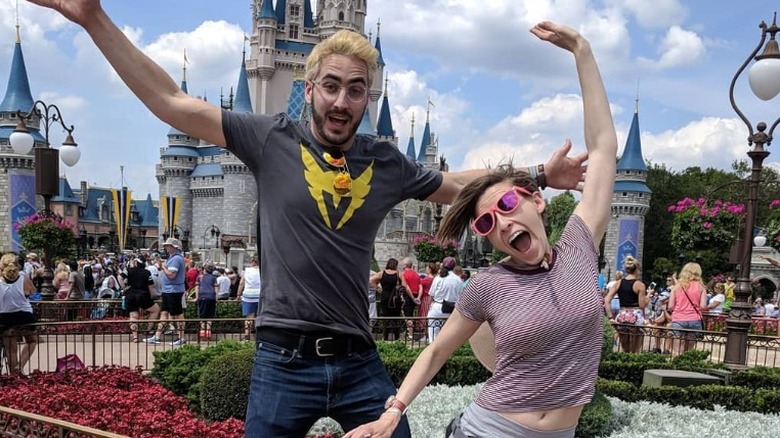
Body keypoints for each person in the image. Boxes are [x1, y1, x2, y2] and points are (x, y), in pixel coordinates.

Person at [28, 2, 586, 435]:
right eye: (332, 86)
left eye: (357, 90)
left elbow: (454, 186)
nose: (342, 101)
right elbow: (172, 102)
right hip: (281, 361)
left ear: (369, 98)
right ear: (310, 87)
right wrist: (93, 17)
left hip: (358, 359)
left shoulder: (383, 161)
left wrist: (537, 173)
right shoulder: (269, 137)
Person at [345, 21, 616, 438]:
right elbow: (436, 351)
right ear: (486, 237)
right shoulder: (488, 284)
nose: (503, 222)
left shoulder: (579, 247)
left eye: (508, 204)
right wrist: (393, 411)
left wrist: (582, 50)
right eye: (487, 222)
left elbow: (602, 149)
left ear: (536, 200)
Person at [144, 238, 187, 346]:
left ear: (174, 247)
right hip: (168, 290)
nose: (166, 247)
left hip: (174, 290)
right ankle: (157, 336)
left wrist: (163, 267)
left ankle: (182, 338)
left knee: (178, 315)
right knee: (164, 313)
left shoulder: (176, 258)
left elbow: (172, 275)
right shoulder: (172, 257)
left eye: (168, 245)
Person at [0, 253, 38, 374]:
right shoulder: (22, 276)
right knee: (31, 341)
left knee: (11, 349)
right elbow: (32, 291)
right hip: (24, 315)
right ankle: (19, 366)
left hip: (5, 316)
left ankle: (13, 374)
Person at [603, 256, 648, 353]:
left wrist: (610, 317)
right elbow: (642, 305)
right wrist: (648, 298)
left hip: (622, 315)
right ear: (637, 270)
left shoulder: (618, 283)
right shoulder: (640, 285)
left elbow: (607, 300)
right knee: (635, 349)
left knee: (625, 348)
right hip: (635, 316)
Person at [668, 262, 706, 356]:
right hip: (694, 319)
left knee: (677, 350)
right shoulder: (701, 287)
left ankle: (676, 367)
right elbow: (703, 306)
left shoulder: (677, 287)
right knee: (688, 351)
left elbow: (670, 306)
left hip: (679, 319)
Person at [426, 257, 465, 344]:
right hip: (452, 309)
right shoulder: (458, 280)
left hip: (438, 307)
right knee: (449, 333)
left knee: (433, 333)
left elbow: (431, 295)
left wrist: (430, 305)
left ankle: (432, 348)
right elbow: (461, 296)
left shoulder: (438, 278)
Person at [370, 258, 408, 341]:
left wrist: (377, 288)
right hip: (395, 298)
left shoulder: (382, 273)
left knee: (385, 318)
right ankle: (396, 337)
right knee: (396, 317)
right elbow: (404, 286)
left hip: (385, 297)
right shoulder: (399, 274)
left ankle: (386, 336)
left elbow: (371, 280)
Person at [124, 256, 160, 343]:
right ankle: (148, 329)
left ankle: (135, 337)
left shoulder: (129, 270)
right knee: (156, 310)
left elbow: (120, 277)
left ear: (136, 262)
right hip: (143, 295)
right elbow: (150, 286)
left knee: (133, 316)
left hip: (130, 295)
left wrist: (124, 288)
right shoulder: (147, 272)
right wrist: (150, 297)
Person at [236, 255, 261, 342]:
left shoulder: (246, 271)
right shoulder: (263, 271)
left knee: (249, 317)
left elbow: (241, 283)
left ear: (253, 262)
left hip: (248, 296)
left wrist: (238, 294)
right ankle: (260, 336)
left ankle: (247, 336)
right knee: (260, 316)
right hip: (260, 296)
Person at [400, 258, 422, 341]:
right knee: (410, 314)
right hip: (415, 295)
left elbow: (406, 287)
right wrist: (418, 297)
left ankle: (410, 334)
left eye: (402, 264)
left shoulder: (404, 274)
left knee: (407, 315)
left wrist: (412, 298)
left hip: (408, 296)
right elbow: (420, 287)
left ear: (405, 265)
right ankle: (409, 332)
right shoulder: (416, 274)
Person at [195, 263, 219, 339]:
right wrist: (216, 297)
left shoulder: (199, 277)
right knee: (210, 314)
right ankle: (208, 331)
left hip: (202, 296)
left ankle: (202, 331)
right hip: (211, 297)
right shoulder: (214, 278)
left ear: (204, 270)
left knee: (202, 314)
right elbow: (216, 288)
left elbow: (197, 288)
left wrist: (196, 297)